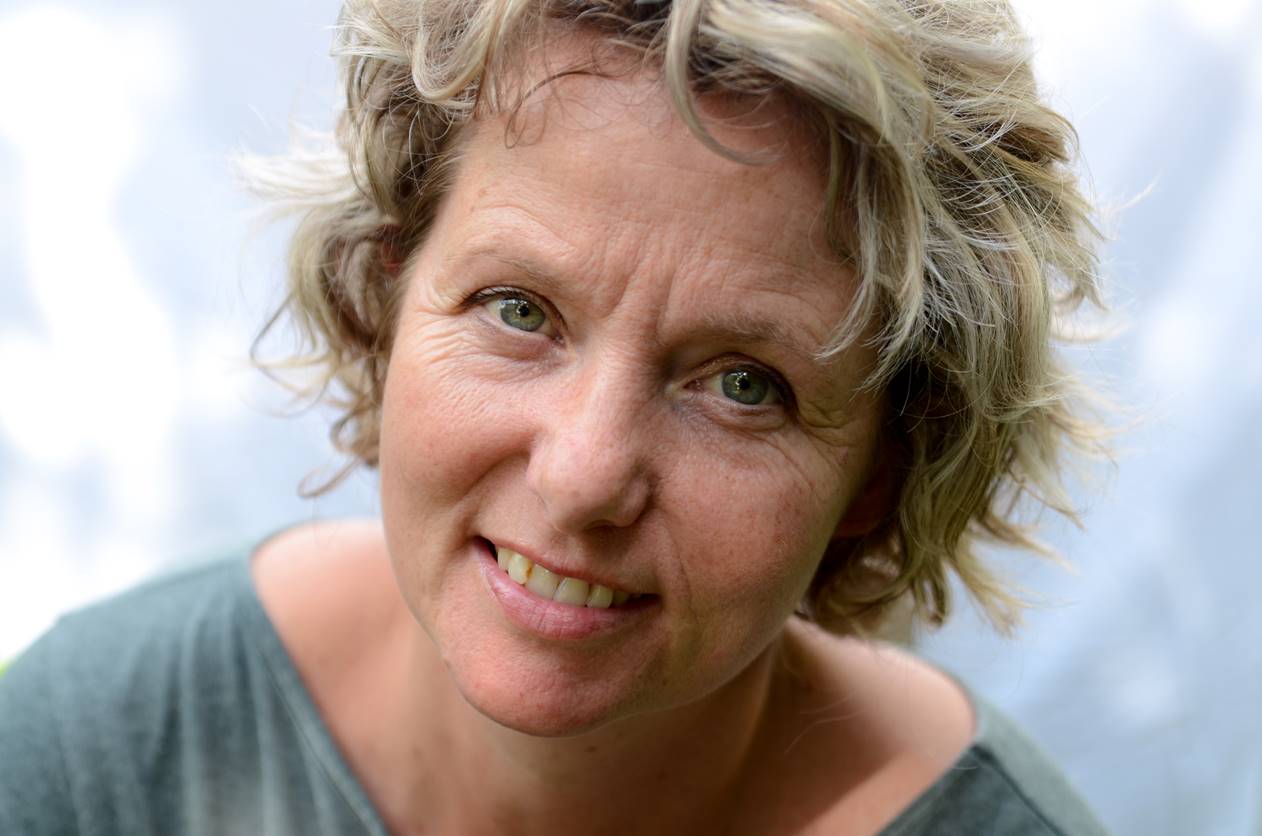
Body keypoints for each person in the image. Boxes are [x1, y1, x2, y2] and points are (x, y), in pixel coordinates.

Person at [0, 0, 1111, 833]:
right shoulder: (96, 758)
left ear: (884, 469)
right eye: (519, 310)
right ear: (382, 300)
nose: (582, 476)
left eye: (742, 384)